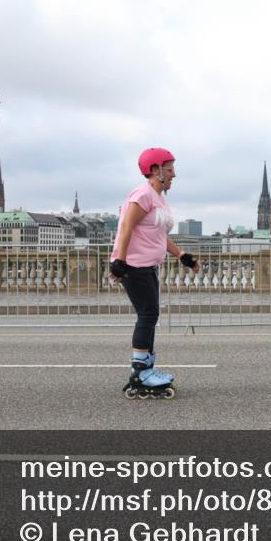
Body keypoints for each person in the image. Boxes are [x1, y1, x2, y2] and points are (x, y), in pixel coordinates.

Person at [109, 147, 199, 399]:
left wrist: (182, 255)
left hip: (148, 265)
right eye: (170, 170)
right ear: (156, 170)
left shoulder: (159, 197)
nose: (174, 175)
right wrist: (120, 261)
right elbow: (127, 226)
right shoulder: (143, 194)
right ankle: (139, 372)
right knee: (148, 315)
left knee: (150, 315)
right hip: (134, 265)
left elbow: (159, 235)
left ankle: (146, 367)